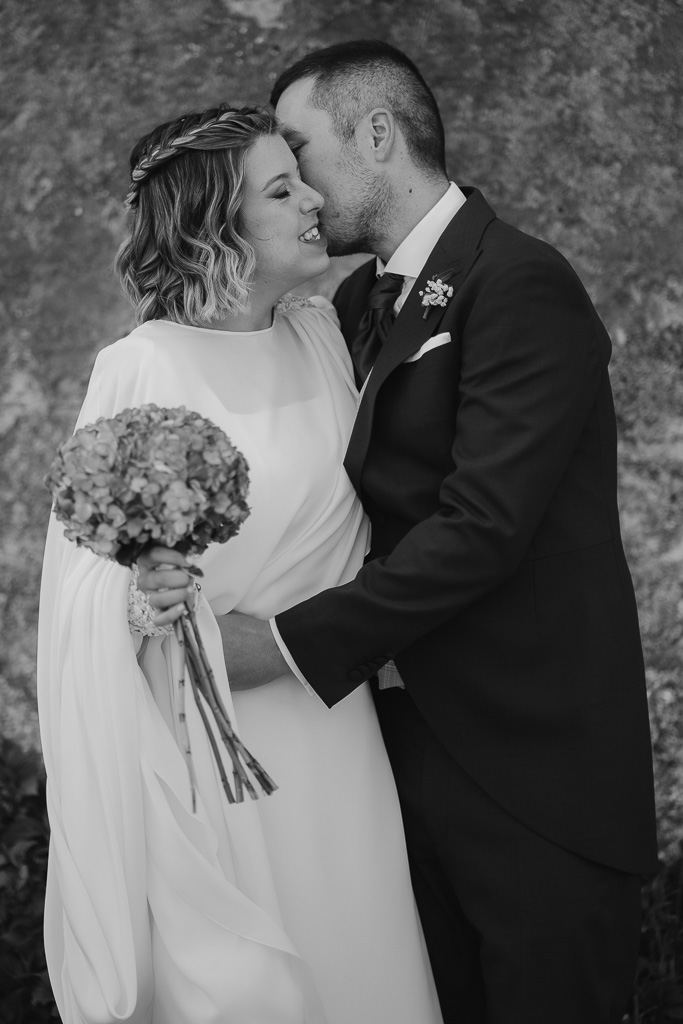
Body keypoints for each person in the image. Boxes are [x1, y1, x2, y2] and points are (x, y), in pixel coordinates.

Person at [153, 40, 658, 1024]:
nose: (293, 183)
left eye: (300, 150)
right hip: (388, 764)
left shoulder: (518, 283)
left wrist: (286, 644)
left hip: (530, 778)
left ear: (376, 133)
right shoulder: (345, 305)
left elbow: (482, 528)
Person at [36, 103, 444, 1024]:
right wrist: (147, 601)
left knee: (359, 963)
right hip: (215, 744)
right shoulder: (139, 366)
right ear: (215, 227)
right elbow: (78, 590)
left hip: (334, 731)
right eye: (281, 187)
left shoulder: (316, 336)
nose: (314, 199)